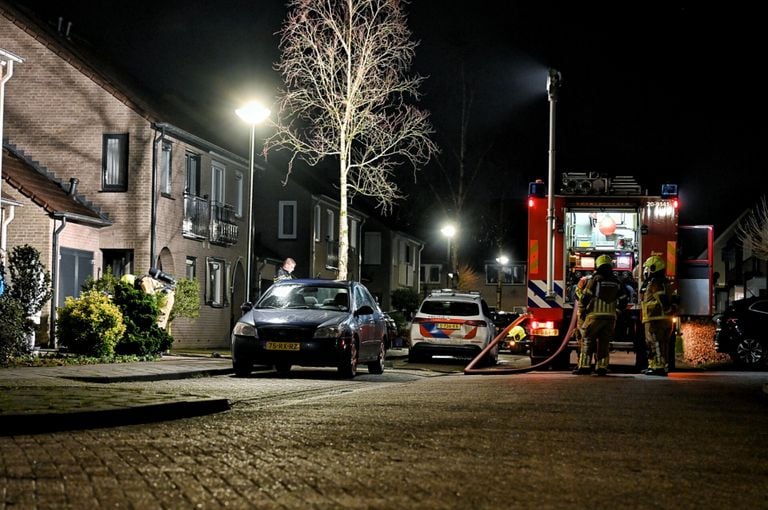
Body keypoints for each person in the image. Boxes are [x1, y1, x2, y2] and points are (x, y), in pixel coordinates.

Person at [575, 254, 627, 376]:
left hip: (594, 316)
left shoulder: (594, 280)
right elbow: (624, 299)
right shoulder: (616, 281)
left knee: (587, 339)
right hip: (610, 317)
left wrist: (582, 309)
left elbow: (586, 297)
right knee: (604, 342)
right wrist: (617, 312)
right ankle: (602, 367)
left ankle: (584, 366)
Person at [640, 255, 677, 376]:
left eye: (648, 268)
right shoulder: (666, 282)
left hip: (655, 318)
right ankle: (659, 365)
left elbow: (660, 297)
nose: (647, 271)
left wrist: (666, 309)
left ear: (654, 268)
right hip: (664, 318)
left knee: (654, 342)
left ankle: (657, 366)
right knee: (663, 343)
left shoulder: (655, 282)